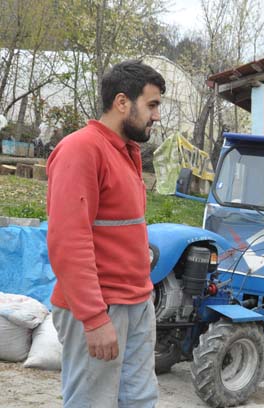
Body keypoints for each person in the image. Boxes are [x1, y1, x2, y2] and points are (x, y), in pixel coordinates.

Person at [46, 60, 165, 407]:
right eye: (152, 105)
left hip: (135, 302)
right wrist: (94, 318)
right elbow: (68, 241)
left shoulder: (126, 152)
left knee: (139, 400)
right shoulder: (82, 149)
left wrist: (143, 300)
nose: (156, 116)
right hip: (101, 307)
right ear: (122, 102)